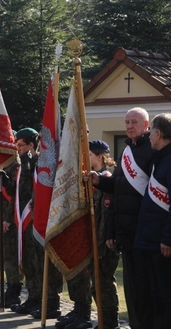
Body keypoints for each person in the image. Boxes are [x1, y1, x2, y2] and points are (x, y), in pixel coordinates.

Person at [90, 107, 154, 329]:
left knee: (146, 288)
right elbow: (115, 190)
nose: (129, 126)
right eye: (126, 122)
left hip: (144, 231)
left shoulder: (152, 151)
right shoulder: (126, 151)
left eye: (134, 122)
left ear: (147, 125)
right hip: (125, 232)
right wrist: (98, 181)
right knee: (132, 289)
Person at [133, 114, 171, 329]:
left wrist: (168, 239)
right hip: (150, 239)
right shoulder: (162, 156)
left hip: (163, 243)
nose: (148, 135)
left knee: (166, 295)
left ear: (159, 133)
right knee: (152, 294)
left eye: (151, 132)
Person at [57, 140, 120, 329]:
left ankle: (109, 322)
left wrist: (100, 244)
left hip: (104, 243)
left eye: (89, 156)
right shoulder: (92, 178)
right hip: (92, 241)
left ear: (100, 156)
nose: (85, 160)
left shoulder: (106, 179)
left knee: (104, 283)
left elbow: (106, 216)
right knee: (94, 284)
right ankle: (87, 314)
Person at [10, 128, 62, 320]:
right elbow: (22, 192)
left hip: (43, 218)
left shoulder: (42, 162)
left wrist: (27, 165)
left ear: (32, 145)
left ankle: (51, 302)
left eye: (21, 145)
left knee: (44, 263)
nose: (18, 149)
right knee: (32, 263)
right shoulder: (29, 163)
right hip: (28, 218)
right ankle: (35, 297)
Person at [0, 153, 23, 308]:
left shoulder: (16, 167)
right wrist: (1, 217)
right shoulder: (6, 167)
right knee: (7, 257)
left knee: (12, 257)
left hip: (14, 220)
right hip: (6, 218)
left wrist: (8, 219)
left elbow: (15, 197)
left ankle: (14, 292)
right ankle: (10, 289)